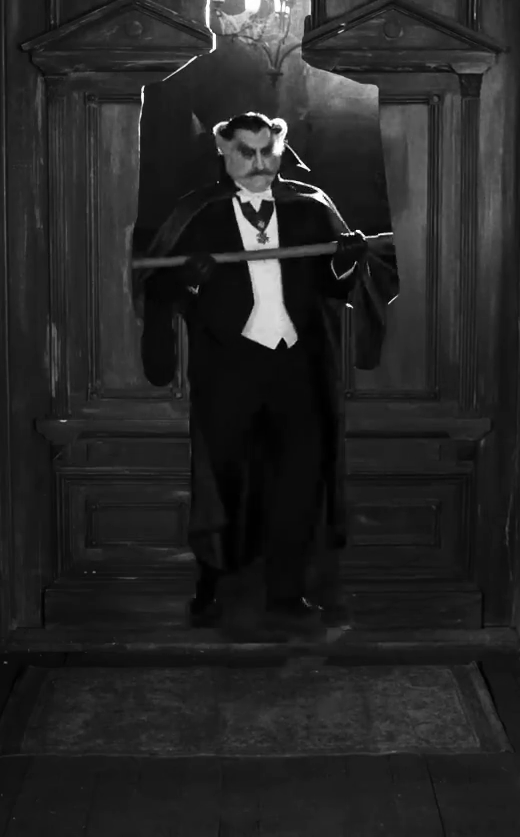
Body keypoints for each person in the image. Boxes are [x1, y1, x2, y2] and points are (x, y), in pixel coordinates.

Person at [137, 111, 396, 634]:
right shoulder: (198, 214)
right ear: (223, 152)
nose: (258, 163)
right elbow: (160, 289)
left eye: (266, 152)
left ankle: (287, 592)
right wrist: (190, 280)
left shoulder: (310, 207)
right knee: (224, 482)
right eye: (246, 152)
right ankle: (213, 587)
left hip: (298, 369)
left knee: (297, 480)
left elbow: (333, 286)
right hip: (227, 370)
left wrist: (346, 261)